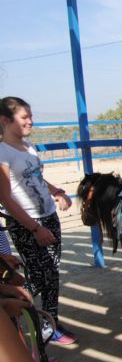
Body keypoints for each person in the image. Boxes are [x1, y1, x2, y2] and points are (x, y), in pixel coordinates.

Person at [0, 96, 76, 345]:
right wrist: (34, 228)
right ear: (5, 121)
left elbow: (37, 178)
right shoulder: (3, 153)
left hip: (48, 217)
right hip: (27, 224)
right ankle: (14, 313)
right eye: (24, 117)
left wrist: (56, 191)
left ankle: (49, 322)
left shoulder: (29, 147)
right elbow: (6, 198)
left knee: (52, 274)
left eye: (30, 116)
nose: (30, 121)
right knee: (37, 277)